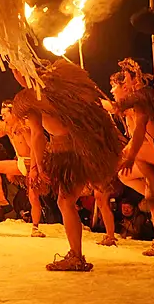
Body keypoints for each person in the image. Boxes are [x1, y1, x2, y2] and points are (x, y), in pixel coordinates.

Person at [11, 58, 123, 272]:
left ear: (24, 72)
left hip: (69, 153)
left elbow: (37, 135)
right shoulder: (60, 90)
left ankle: (76, 256)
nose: (14, 75)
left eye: (16, 70)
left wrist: (38, 167)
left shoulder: (30, 98)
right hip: (80, 149)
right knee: (66, 202)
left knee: (65, 202)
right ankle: (75, 254)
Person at [105, 58, 154, 264]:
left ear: (133, 79)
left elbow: (140, 133)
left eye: (119, 83)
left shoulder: (144, 98)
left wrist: (130, 156)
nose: (114, 89)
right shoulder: (144, 99)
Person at [0, 103, 47, 238]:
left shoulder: (24, 128)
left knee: (33, 197)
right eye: (1, 115)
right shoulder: (8, 129)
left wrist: (34, 169)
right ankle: (0, 195)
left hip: (31, 162)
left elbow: (34, 149)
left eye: (5, 115)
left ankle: (35, 228)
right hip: (20, 162)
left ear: (13, 113)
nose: (3, 118)